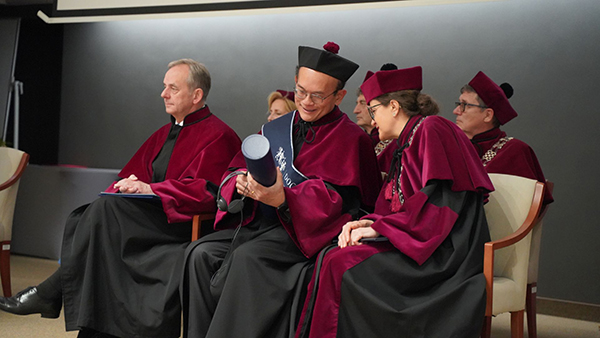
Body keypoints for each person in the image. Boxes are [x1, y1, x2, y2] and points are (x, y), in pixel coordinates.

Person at [0, 59, 242, 338]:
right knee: (99, 213)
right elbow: (128, 177)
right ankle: (58, 298)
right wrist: (129, 184)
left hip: (181, 226)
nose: (163, 94)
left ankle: (52, 291)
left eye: (172, 88)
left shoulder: (220, 135)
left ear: (197, 95)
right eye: (164, 87)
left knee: (104, 212)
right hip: (149, 221)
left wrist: (154, 190)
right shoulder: (164, 133)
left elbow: (209, 194)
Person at [180, 42, 382, 338]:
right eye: (300, 91)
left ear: (339, 96)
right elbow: (235, 168)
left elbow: (345, 203)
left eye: (317, 95)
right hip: (260, 223)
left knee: (249, 258)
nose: (306, 102)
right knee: (198, 254)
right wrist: (240, 184)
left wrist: (285, 198)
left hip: (308, 233)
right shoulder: (276, 128)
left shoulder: (352, 140)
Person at [295, 66, 493, 338]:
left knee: (339, 262)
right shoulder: (406, 140)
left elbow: (441, 203)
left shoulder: (432, 128)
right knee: (331, 254)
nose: (372, 120)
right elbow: (401, 207)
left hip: (445, 251)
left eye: (373, 110)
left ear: (394, 107)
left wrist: (380, 229)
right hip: (418, 237)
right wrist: (369, 222)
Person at [453, 71, 553, 205]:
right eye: (458, 104)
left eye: (465, 105)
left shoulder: (515, 151)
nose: (456, 111)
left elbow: (527, 210)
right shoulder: (453, 149)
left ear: (488, 115)